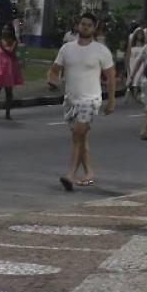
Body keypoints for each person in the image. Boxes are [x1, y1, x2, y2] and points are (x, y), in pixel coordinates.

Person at [46, 13, 116, 190]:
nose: (85, 27)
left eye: (89, 25)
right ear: (78, 26)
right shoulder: (67, 48)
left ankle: (70, 174)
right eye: (82, 24)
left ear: (94, 28)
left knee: (79, 133)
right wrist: (51, 79)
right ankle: (89, 172)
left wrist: (112, 100)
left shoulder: (101, 50)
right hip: (71, 100)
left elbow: (111, 76)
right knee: (79, 137)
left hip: (90, 99)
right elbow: (54, 69)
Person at [0, 22, 23, 119]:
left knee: (8, 91)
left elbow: (11, 52)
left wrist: (2, 46)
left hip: (9, 68)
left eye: (7, 29)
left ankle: (7, 113)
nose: (5, 31)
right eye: (4, 29)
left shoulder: (13, 41)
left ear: (11, 31)